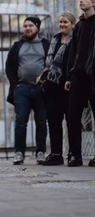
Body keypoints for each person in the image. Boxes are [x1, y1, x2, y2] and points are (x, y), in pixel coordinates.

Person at [5, 16, 49, 165]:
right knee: (21, 122)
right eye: (25, 26)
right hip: (22, 89)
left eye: (30, 25)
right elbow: (9, 66)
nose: (27, 28)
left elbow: (50, 65)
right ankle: (19, 153)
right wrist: (14, 84)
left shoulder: (46, 45)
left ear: (37, 27)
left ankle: (41, 152)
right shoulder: (18, 45)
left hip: (41, 90)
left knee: (41, 122)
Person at [38, 11, 76, 166]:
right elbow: (49, 62)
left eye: (65, 22)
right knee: (53, 121)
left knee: (71, 121)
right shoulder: (54, 39)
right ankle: (56, 154)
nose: (62, 25)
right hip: (53, 85)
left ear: (72, 24)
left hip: (69, 85)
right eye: (60, 22)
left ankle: (73, 153)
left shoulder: (76, 40)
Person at [65, 0, 95, 167]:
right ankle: (74, 154)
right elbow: (73, 52)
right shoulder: (79, 26)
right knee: (73, 116)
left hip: (93, 74)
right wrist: (69, 75)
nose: (82, 1)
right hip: (78, 75)